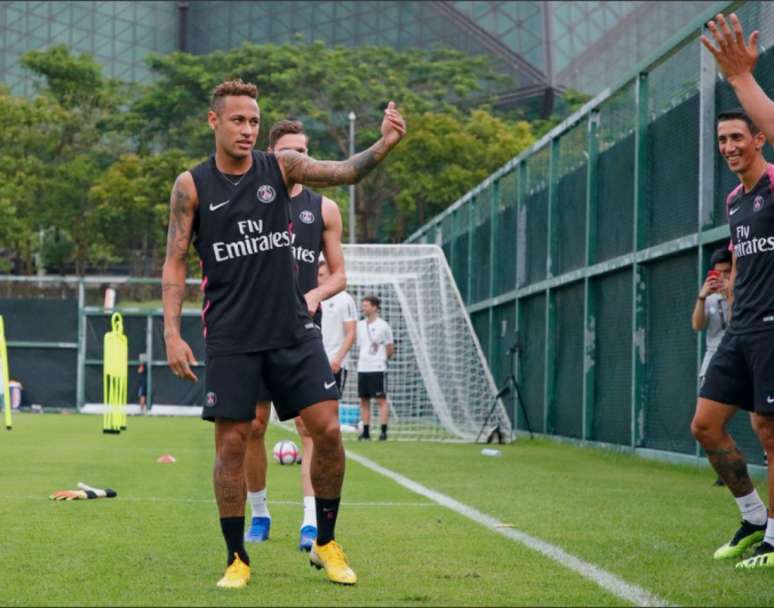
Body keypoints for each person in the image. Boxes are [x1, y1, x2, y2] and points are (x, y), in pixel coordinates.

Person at [162, 80, 406, 588]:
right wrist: (171, 332)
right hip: (230, 335)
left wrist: (383, 143)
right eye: (238, 120)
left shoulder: (282, 167)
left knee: (330, 432)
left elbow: (345, 171)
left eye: (254, 121)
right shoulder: (192, 185)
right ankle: (237, 557)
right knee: (232, 444)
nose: (248, 130)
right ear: (214, 122)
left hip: (294, 332)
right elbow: (175, 262)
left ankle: (326, 541)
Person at [242, 120, 348, 552]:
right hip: (254, 331)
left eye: (303, 151)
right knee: (253, 425)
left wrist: (316, 293)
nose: (298, 159)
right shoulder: (248, 200)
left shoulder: (324, 209)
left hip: (302, 331)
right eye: (289, 151)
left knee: (312, 427)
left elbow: (339, 274)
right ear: (271, 156)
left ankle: (311, 524)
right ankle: (260, 514)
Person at [693, 11, 774, 570]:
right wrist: (728, 283)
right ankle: (752, 517)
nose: (729, 146)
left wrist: (742, 78)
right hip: (742, 325)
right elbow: (747, 256)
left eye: (737, 137)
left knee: (770, 431)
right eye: (722, 139)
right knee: (705, 425)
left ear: (759, 139)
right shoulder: (734, 202)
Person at [691, 248, 732, 486]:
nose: (723, 278)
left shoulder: (745, 293)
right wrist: (702, 297)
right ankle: (724, 470)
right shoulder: (710, 297)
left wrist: (731, 295)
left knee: (760, 417)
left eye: (727, 273)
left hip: (743, 353)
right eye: (718, 274)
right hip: (715, 356)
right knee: (706, 420)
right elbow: (697, 325)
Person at [356, 295, 395, 441]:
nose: (363, 308)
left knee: (381, 400)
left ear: (374, 307)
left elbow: (390, 348)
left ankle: (383, 432)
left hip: (378, 368)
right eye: (363, 305)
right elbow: (360, 344)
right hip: (363, 367)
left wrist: (382, 359)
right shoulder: (359, 325)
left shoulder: (383, 326)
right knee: (364, 400)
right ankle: (366, 432)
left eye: (366, 305)